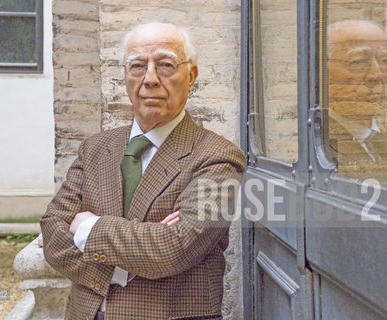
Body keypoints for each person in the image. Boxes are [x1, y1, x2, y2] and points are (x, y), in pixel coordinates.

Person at [40, 22, 246, 320]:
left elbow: (175, 248)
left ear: (191, 76)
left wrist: (88, 228)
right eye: (137, 66)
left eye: (165, 65)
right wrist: (124, 266)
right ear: (125, 76)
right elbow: (52, 233)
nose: (150, 78)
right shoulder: (96, 148)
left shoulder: (217, 157)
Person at [327, 20, 387, 179]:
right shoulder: (320, 146)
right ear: (322, 74)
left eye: (386, 61)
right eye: (357, 62)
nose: (377, 75)